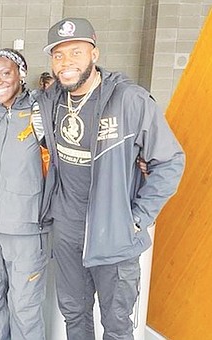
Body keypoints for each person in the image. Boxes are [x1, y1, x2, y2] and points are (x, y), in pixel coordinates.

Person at [35, 18, 185, 339]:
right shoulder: (50, 102)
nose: (66, 63)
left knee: (117, 326)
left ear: (94, 54)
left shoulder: (129, 99)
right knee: (74, 316)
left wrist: (138, 218)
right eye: (58, 55)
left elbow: (170, 160)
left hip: (115, 236)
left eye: (76, 52)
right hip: (66, 232)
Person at [0, 48, 49, 340]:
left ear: (21, 75)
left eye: (5, 73)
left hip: (26, 228)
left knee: (24, 307)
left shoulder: (40, 111)